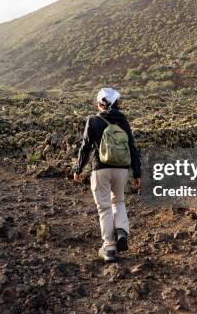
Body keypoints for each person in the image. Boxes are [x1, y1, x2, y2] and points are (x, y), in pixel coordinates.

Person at [73, 87, 141, 263]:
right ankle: (121, 231)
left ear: (101, 104)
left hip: (100, 169)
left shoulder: (93, 121)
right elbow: (132, 148)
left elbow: (85, 147)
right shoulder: (123, 121)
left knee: (104, 208)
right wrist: (137, 173)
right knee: (118, 201)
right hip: (121, 170)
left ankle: (109, 248)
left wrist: (78, 169)